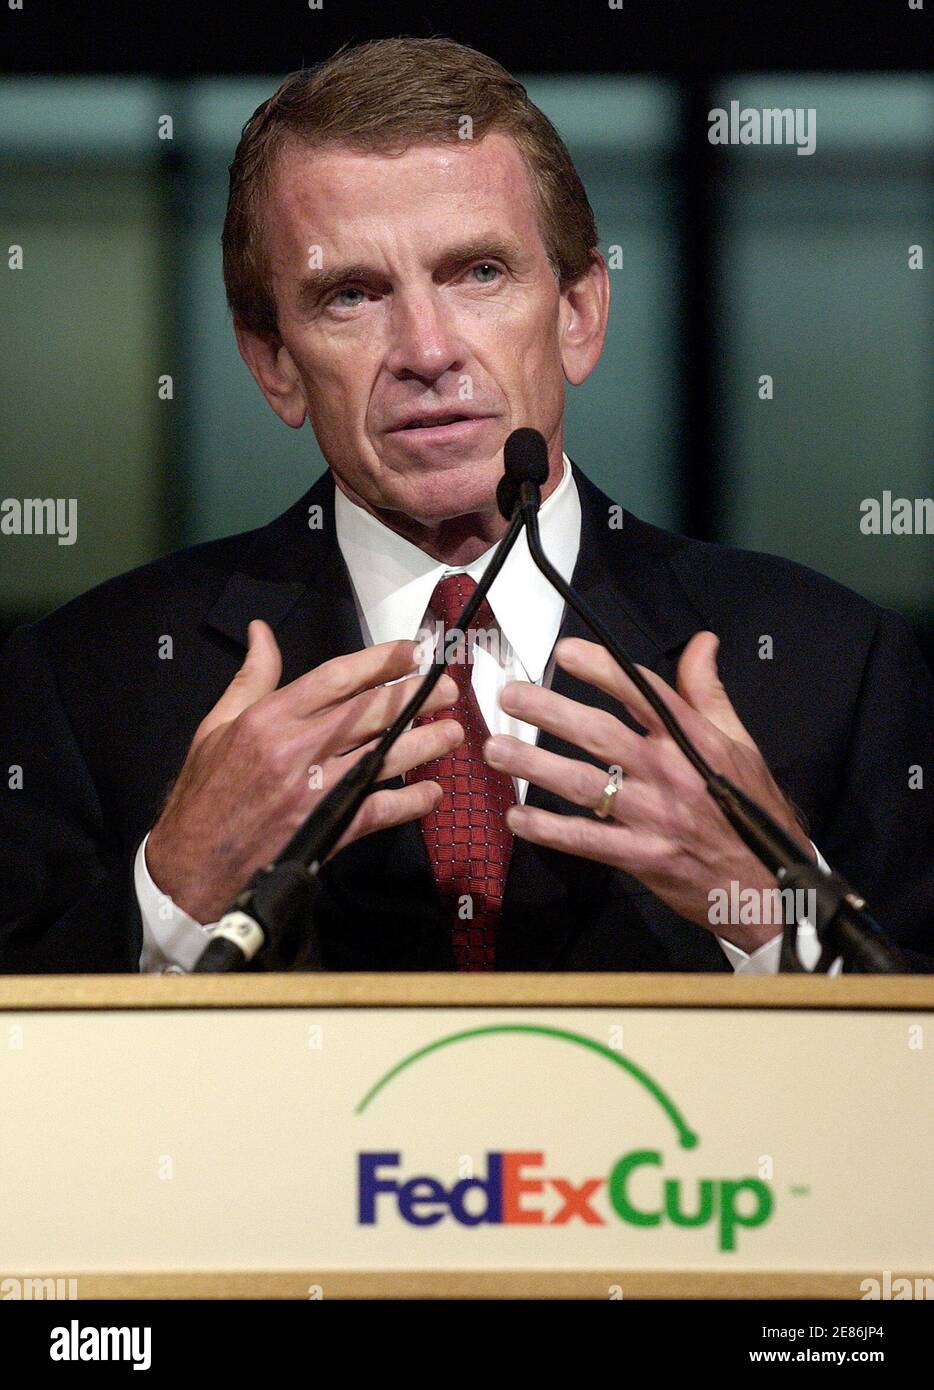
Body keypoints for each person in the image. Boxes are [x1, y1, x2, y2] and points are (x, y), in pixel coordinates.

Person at [1, 37, 931, 975]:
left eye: (478, 273)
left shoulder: (833, 666)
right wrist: (176, 893)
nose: (426, 350)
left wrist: (770, 906)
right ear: (274, 363)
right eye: (351, 295)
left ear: (578, 314)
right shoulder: (86, 682)